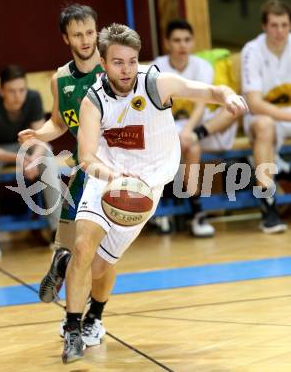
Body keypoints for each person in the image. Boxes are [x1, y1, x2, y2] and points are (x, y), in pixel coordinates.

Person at [61, 23, 248, 364]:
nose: (127, 69)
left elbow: (207, 90)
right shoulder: (94, 100)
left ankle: (95, 317)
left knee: (99, 268)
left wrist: (227, 96)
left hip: (146, 185)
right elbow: (86, 156)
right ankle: (72, 328)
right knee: (82, 246)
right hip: (107, 175)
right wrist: (110, 173)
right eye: (118, 62)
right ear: (103, 63)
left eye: (132, 61)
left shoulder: (155, 84)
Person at [18, 4, 111, 346]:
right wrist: (38, 135)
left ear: (97, 32)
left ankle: (91, 318)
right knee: (75, 250)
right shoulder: (60, 79)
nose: (86, 40)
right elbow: (58, 122)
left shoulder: (113, 67)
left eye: (90, 32)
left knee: (98, 256)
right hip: (83, 167)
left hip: (114, 170)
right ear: (65, 38)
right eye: (77, 34)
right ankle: (78, 314)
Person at [153, 19, 242, 237]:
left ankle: (196, 136)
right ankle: (196, 212)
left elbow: (201, 105)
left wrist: (191, 131)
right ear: (167, 43)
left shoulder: (202, 66)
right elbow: (156, 109)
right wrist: (180, 135)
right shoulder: (157, 67)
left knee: (234, 109)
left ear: (192, 43)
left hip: (199, 126)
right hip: (168, 128)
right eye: (177, 40)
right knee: (191, 148)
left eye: (186, 40)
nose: (182, 45)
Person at [0, 65, 61, 261]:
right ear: (1, 91)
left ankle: (57, 231)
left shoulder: (33, 98)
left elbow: (41, 139)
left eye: (21, 90)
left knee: (46, 157)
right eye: (12, 91)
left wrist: (32, 160)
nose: (18, 95)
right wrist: (21, 160)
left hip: (26, 146)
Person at [241, 0, 291, 233]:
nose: (279, 31)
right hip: (263, 114)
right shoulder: (252, 51)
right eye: (274, 25)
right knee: (264, 125)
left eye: (284, 25)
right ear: (264, 26)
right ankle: (268, 205)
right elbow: (253, 102)